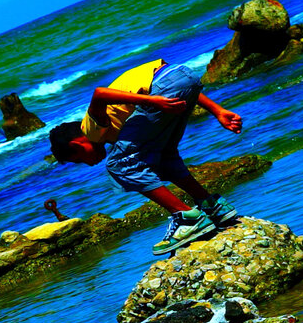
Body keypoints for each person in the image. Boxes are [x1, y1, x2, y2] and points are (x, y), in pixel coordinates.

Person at [48, 59, 243, 255]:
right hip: (183, 76)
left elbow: (99, 94)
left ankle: (187, 217)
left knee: (119, 165)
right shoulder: (115, 124)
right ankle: (212, 205)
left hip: (160, 89)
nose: (89, 164)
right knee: (162, 155)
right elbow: (181, 83)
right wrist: (217, 110)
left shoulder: (89, 129)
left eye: (81, 159)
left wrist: (153, 100)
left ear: (77, 144)